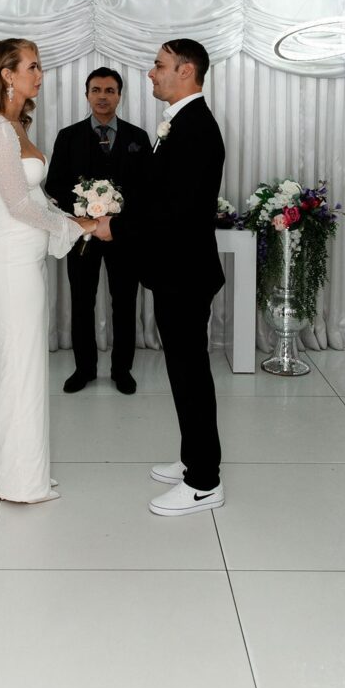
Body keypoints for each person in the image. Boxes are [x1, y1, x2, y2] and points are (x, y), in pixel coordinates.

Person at [94, 40, 226, 516]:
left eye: (159, 65)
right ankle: (194, 458)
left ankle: (205, 482)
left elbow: (175, 211)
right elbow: (158, 193)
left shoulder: (195, 129)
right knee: (182, 371)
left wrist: (115, 225)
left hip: (185, 274)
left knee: (190, 374)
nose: (151, 74)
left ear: (186, 71)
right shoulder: (181, 123)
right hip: (177, 270)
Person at [0, 39, 97, 504]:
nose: (40, 74)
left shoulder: (16, 127)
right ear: (7, 74)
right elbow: (19, 205)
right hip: (11, 260)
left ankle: (24, 469)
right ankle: (20, 480)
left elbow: (35, 198)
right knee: (20, 368)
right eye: (33, 66)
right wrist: (80, 225)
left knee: (26, 365)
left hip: (25, 259)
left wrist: (73, 214)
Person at [46, 67, 153, 395]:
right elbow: (54, 184)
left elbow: (149, 189)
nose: (103, 96)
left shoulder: (138, 137)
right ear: (87, 94)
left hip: (124, 234)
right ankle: (84, 369)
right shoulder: (68, 136)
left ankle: (122, 370)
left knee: (124, 302)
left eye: (109, 90)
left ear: (119, 95)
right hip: (81, 235)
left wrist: (117, 218)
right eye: (96, 90)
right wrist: (83, 213)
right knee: (81, 301)